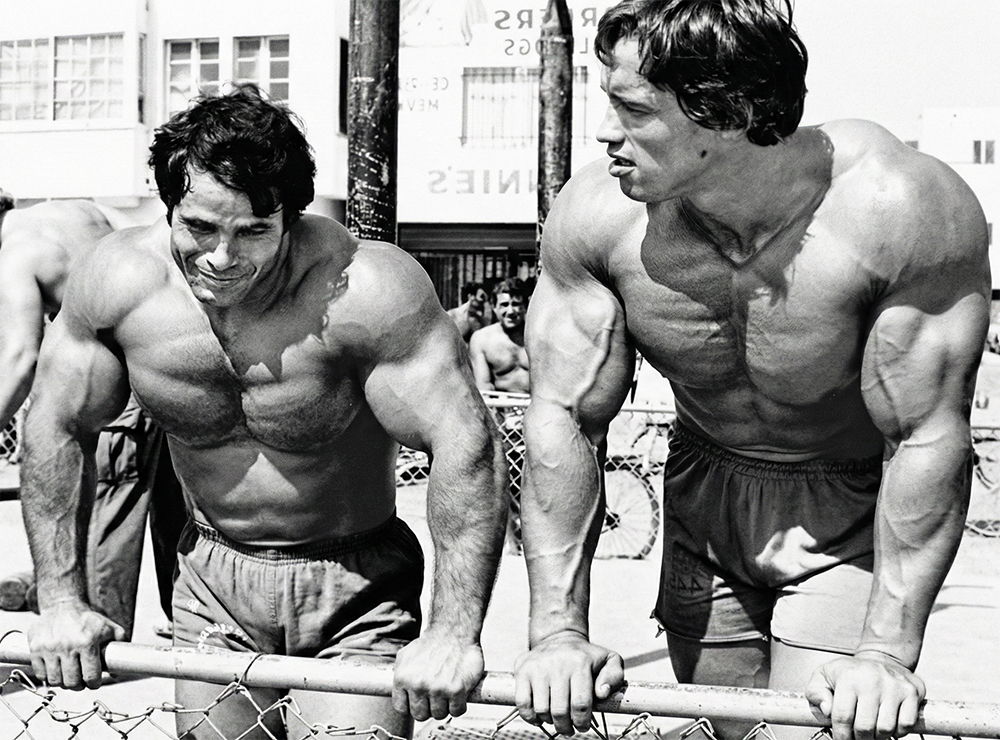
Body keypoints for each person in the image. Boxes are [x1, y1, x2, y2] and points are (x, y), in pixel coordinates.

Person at [512, 3, 990, 740]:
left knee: (812, 729)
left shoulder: (898, 208)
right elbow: (566, 418)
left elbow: (926, 433)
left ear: (727, 111)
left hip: (849, 507)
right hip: (706, 496)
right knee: (728, 731)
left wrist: (886, 654)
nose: (606, 133)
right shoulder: (598, 217)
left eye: (632, 109)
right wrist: (557, 633)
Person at [19, 84, 508, 740]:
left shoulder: (368, 291)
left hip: (353, 584)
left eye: (254, 232)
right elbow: (55, 421)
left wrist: (453, 633)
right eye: (199, 227)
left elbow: (464, 442)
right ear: (169, 205)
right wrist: (59, 601)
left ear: (292, 217)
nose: (221, 258)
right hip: (210, 582)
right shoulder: (118, 284)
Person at [0, 191, 184, 635]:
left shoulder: (15, 255)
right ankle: (191, 628)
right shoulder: (78, 209)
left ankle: (98, 639)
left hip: (113, 379)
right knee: (175, 507)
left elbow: (21, 357)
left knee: (107, 499)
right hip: (170, 365)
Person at [469, 278, 530, 394]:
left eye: (516, 304)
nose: (511, 311)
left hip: (535, 407)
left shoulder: (537, 337)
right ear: (494, 307)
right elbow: (484, 386)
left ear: (525, 306)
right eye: (504, 305)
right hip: (500, 407)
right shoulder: (481, 339)